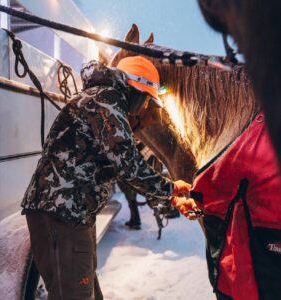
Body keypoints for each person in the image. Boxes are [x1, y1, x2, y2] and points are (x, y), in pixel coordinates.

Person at [21, 56, 197, 300]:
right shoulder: (107, 101)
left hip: (71, 213)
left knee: (88, 294)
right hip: (61, 213)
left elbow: (121, 164)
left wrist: (168, 197)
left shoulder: (105, 102)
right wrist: (171, 189)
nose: (146, 107)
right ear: (135, 88)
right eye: (146, 99)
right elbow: (128, 165)